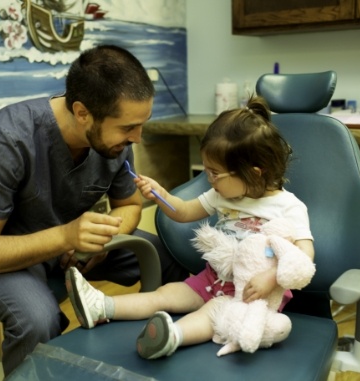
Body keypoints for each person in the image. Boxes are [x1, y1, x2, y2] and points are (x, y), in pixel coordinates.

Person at [0, 45, 189, 376]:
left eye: (142, 124)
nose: (137, 137)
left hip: (67, 245)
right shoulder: (6, 139)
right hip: (1, 249)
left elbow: (130, 206)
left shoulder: (113, 142)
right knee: (37, 320)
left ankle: (165, 354)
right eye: (127, 128)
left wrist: (103, 240)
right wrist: (67, 236)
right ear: (82, 113)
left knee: (172, 255)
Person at [66, 95, 315, 359]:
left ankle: (171, 337)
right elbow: (183, 212)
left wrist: (271, 277)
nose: (209, 179)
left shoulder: (289, 207)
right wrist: (160, 194)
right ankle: (102, 306)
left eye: (214, 173)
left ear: (254, 172)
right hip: (211, 279)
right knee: (165, 294)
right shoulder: (222, 195)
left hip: (250, 296)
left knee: (211, 313)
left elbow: (304, 256)